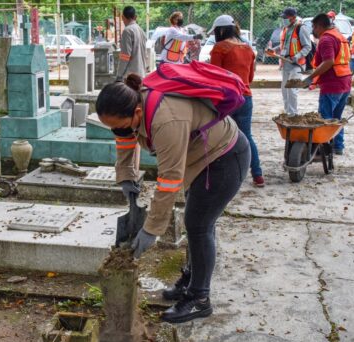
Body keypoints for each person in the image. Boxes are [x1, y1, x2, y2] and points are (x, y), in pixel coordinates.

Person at [95, 74, 250, 323]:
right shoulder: (132, 110)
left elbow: (168, 180)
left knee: (199, 226)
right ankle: (191, 280)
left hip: (224, 159)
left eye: (119, 125)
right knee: (197, 224)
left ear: (135, 112)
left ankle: (200, 299)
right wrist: (126, 175)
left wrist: (151, 230)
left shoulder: (166, 120)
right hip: (200, 159)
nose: (118, 131)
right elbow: (125, 139)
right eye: (112, 127)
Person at [210, 15, 264, 187]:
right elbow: (250, 77)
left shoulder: (220, 48)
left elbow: (214, 77)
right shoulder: (248, 48)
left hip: (226, 99)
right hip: (245, 97)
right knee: (246, 136)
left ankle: (222, 176)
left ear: (221, 30)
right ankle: (258, 175)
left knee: (221, 137)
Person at [301, 13, 352, 155]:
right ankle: (338, 146)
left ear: (319, 26)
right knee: (336, 118)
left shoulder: (326, 39)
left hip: (332, 85)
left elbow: (328, 62)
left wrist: (311, 77)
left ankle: (324, 149)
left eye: (314, 27)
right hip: (345, 82)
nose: (313, 31)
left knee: (325, 118)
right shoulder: (339, 35)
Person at [267, 7, 312, 116]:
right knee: (285, 90)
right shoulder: (286, 28)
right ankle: (288, 112)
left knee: (292, 89)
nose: (284, 19)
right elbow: (284, 45)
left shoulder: (301, 28)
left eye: (285, 17)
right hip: (285, 63)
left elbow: (307, 46)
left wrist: (297, 56)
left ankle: (293, 114)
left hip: (297, 65)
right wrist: (274, 50)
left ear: (292, 17)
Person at [116, 6, 147, 81]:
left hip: (130, 76)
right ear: (135, 17)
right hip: (141, 73)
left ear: (123, 17)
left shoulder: (127, 31)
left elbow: (125, 56)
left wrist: (119, 75)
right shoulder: (141, 30)